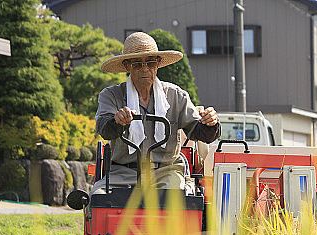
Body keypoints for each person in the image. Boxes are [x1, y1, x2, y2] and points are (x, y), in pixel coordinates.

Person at [93, 32, 221, 192]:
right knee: (98, 197)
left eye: (151, 63)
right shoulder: (112, 95)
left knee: (178, 201)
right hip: (123, 172)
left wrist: (210, 123)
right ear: (127, 66)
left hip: (167, 171)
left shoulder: (176, 95)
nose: (145, 69)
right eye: (137, 64)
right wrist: (116, 121)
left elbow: (199, 133)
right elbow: (104, 129)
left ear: (158, 63)